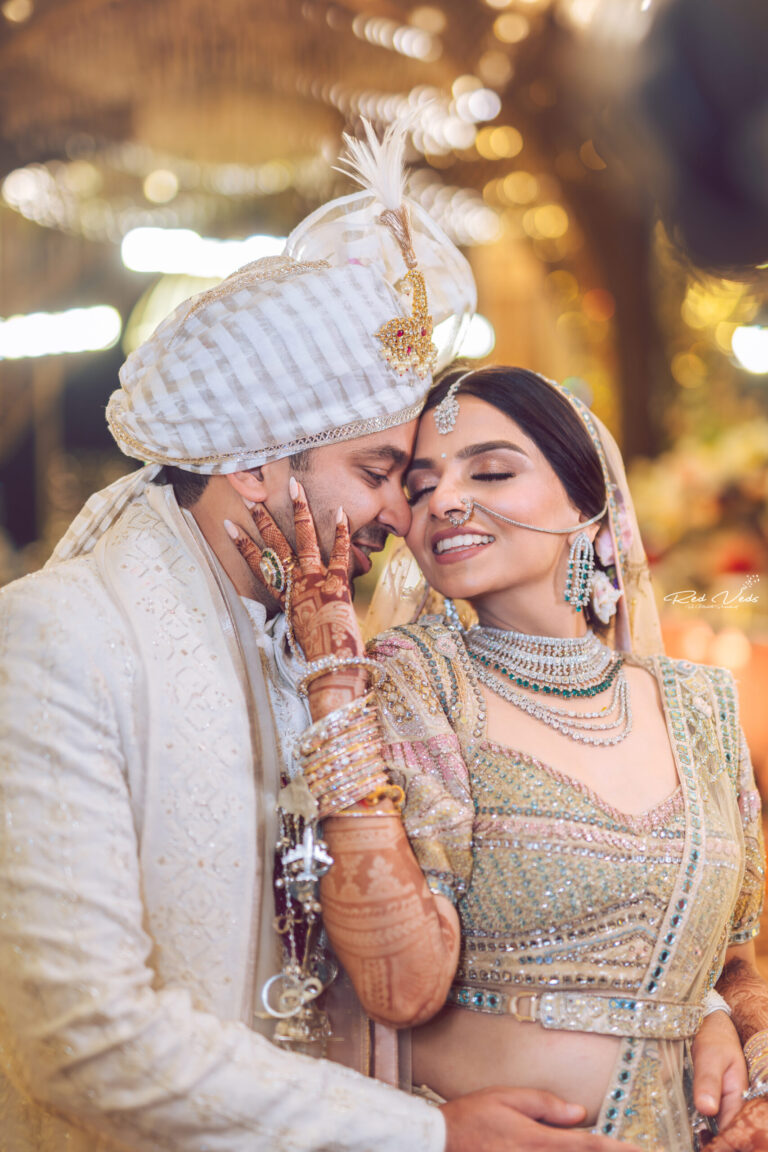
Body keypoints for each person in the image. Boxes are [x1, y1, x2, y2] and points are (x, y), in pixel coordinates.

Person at [0, 121, 656, 1152]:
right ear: (255, 465)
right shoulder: (62, 640)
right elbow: (82, 1042)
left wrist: (696, 1017)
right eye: (379, 472)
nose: (407, 517)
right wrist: (423, 1140)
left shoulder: (327, 645)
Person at [230, 363, 766, 1151]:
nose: (444, 500)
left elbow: (729, 964)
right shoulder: (415, 680)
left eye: (491, 470)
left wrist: (755, 1059)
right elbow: (399, 988)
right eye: (418, 486)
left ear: (588, 506)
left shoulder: (700, 705)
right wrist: (337, 692)